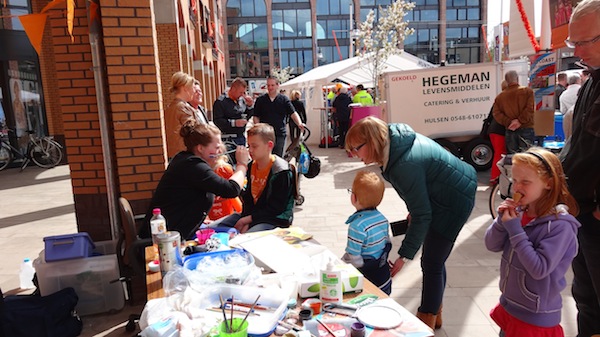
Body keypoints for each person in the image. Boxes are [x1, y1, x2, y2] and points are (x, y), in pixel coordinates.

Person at [345, 116, 477, 329]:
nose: (353, 155)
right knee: (435, 260)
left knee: (432, 262)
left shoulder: (403, 163)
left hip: (454, 201)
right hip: (447, 193)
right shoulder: (396, 147)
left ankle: (426, 320)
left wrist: (403, 256)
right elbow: (420, 198)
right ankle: (435, 313)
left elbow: (423, 214)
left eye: (356, 149)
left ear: (371, 142)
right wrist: (415, 212)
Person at [485, 147, 580, 337]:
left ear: (549, 183)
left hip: (536, 317)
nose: (518, 187)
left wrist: (514, 229)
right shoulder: (521, 212)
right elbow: (491, 244)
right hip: (511, 306)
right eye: (515, 181)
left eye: (526, 182)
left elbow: (539, 268)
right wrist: (501, 222)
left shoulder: (560, 226)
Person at [139, 120, 249, 240]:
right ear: (200, 148)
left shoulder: (184, 159)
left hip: (185, 228)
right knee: (234, 233)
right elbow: (230, 189)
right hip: (171, 237)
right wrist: (242, 165)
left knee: (238, 218)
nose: (220, 152)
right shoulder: (193, 165)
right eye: (217, 147)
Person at [561, 1, 600, 335]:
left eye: (585, 41)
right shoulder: (591, 81)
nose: (579, 51)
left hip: (595, 214)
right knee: (585, 299)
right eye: (574, 43)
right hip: (580, 212)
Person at [214, 123, 295, 234]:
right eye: (249, 146)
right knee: (214, 228)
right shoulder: (252, 165)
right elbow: (248, 199)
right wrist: (247, 219)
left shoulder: (281, 171)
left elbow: (275, 209)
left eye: (254, 146)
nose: (250, 150)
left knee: (246, 238)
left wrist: (248, 221)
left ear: (269, 145)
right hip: (252, 215)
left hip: (274, 219)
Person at [341, 170, 392, 295]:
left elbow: (354, 258)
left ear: (354, 198)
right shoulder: (382, 219)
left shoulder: (357, 226)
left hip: (367, 283)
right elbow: (386, 243)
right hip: (384, 278)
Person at [252, 76, 305, 156]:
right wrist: (258, 127)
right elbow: (256, 116)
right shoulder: (260, 100)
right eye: (268, 85)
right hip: (265, 134)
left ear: (277, 85)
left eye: (272, 85)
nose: (270, 87)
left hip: (280, 134)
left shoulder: (284, 99)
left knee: (278, 158)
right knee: (265, 157)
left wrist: (299, 123)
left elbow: (293, 113)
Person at [492, 70, 535, 153]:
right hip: (526, 127)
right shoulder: (527, 91)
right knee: (527, 158)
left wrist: (509, 122)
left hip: (510, 129)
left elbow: (496, 113)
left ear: (507, 81)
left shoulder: (500, 97)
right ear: (517, 79)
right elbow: (530, 108)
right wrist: (520, 121)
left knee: (513, 159)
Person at [165, 71, 200, 158]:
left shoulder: (170, 107)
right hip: (185, 155)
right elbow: (194, 131)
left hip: (174, 155)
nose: (194, 91)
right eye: (193, 88)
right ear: (185, 88)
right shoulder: (182, 108)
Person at [213, 77, 253, 146]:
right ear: (233, 89)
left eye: (244, 92)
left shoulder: (241, 100)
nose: (242, 95)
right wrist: (234, 123)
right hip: (228, 139)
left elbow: (246, 117)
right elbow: (217, 121)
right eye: (240, 92)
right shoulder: (221, 101)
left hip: (241, 137)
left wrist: (250, 106)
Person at [207, 149, 243, 220]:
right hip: (209, 216)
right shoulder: (201, 170)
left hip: (226, 214)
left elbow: (233, 196)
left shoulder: (224, 169)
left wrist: (240, 210)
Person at [489, 81, 509, 185]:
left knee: (498, 153)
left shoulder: (498, 98)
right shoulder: (506, 98)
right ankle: (495, 177)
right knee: (500, 154)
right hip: (499, 130)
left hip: (493, 130)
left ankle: (495, 176)